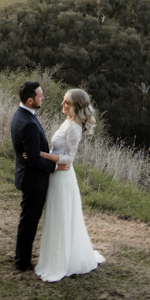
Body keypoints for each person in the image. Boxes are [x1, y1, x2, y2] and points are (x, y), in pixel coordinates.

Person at [34, 88, 105, 282]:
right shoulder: (68, 122)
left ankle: (62, 261)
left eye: (66, 102)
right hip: (57, 174)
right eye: (64, 101)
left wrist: (41, 155)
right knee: (56, 216)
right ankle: (54, 256)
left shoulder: (74, 127)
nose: (62, 104)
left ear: (76, 106)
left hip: (63, 179)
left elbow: (68, 158)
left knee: (61, 217)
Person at [10, 81, 70, 272]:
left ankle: (21, 257)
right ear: (30, 100)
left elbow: (33, 155)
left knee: (27, 220)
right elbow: (34, 161)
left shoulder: (21, 114)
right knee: (29, 222)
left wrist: (35, 155)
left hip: (28, 176)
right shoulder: (27, 123)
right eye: (39, 96)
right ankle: (22, 261)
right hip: (33, 180)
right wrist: (55, 166)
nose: (42, 97)